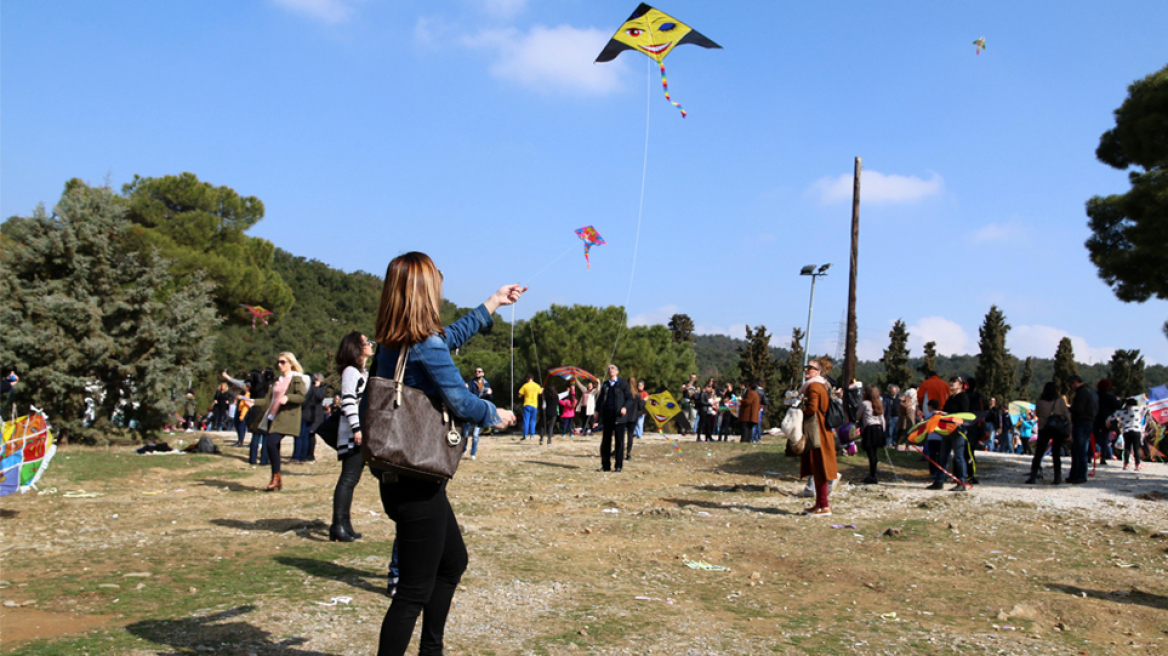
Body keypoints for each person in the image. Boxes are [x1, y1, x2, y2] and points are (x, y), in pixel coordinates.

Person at [368, 251, 520, 656]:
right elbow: (460, 401)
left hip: (404, 477)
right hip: (416, 481)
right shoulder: (421, 345)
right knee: (413, 591)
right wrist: (495, 413)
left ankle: (431, 650)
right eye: (436, 278)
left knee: (452, 564)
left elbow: (445, 339)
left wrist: (492, 303)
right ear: (423, 289)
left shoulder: (395, 342)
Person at [331, 331, 374, 542]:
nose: (370, 345)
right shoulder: (351, 372)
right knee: (348, 479)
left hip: (358, 432)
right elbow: (348, 402)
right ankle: (338, 524)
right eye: (366, 342)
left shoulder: (362, 373)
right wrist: (357, 429)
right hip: (352, 433)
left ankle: (344, 524)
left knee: (352, 479)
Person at [255, 352, 306, 491]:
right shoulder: (276, 381)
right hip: (272, 416)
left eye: (283, 362)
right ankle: (276, 478)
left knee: (270, 443)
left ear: (291, 363)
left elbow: (301, 397)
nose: (279, 365)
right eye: (278, 362)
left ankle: (276, 477)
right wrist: (252, 402)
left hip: (285, 417)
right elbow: (267, 401)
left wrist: (288, 397)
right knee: (273, 447)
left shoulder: (296, 379)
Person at [800, 360, 837, 516]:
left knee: (820, 468)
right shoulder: (821, 385)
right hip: (821, 430)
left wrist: (800, 407)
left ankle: (823, 506)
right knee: (818, 470)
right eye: (806, 368)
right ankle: (820, 505)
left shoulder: (814, 386)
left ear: (819, 371)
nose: (807, 370)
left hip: (818, 432)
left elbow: (812, 409)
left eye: (811, 368)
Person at [592, 364, 633, 472]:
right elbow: (600, 399)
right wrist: (596, 411)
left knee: (619, 442)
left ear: (617, 372)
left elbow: (630, 399)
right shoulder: (605, 385)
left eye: (613, 368)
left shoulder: (623, 384)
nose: (610, 370)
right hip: (607, 416)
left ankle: (618, 466)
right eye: (609, 369)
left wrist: (625, 407)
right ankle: (605, 465)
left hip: (619, 417)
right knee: (606, 442)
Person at [1028, 382, 1071, 485]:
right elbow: (1066, 415)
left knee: (1039, 453)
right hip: (1057, 428)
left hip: (1044, 427)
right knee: (1056, 453)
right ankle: (1057, 477)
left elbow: (1037, 414)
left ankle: (1033, 476)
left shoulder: (1039, 401)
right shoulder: (1059, 401)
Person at [1067, 375, 1098, 484]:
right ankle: (1075, 474)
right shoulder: (1092, 392)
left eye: (1070, 385)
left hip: (1081, 422)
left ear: (1075, 382)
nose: (1071, 388)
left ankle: (1080, 475)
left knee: (1078, 450)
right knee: (1080, 449)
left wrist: (1068, 408)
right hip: (1089, 422)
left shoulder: (1082, 393)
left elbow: (1078, 409)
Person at [295, 374, 328, 463]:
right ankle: (305, 454)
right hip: (310, 413)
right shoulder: (311, 389)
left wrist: (316, 387)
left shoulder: (321, 389)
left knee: (311, 434)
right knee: (307, 434)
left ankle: (310, 454)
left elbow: (319, 397)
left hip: (316, 414)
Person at [858, 385, 886, 484]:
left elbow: (858, 415)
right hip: (878, 428)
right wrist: (883, 431)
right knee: (874, 452)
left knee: (871, 453)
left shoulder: (865, 403)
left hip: (869, 428)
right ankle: (873, 473)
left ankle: (872, 476)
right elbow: (882, 419)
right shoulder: (878, 403)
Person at [463, 367, 491, 460]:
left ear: (483, 373)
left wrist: (490, 394)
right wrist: (465, 388)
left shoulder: (486, 384)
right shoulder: (471, 383)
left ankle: (473, 452)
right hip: (470, 410)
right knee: (465, 433)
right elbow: (467, 394)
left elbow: (490, 399)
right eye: (475, 371)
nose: (477, 373)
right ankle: (463, 449)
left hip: (480, 411)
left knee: (475, 434)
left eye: (479, 371)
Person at [1110, 398, 1145, 471]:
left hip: (1126, 431)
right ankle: (1137, 465)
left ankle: (1126, 464)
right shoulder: (1138, 409)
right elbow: (1147, 407)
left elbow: (1111, 417)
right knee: (1136, 448)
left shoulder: (1121, 412)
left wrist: (1107, 422)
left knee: (1127, 448)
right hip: (1136, 430)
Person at [1094, 379, 1122, 466]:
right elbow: (1119, 406)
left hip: (1095, 418)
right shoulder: (1110, 396)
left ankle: (1089, 455)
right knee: (1105, 439)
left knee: (1093, 437)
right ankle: (1103, 457)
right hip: (1107, 420)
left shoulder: (1094, 395)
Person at [517, 374, 542, 440]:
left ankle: (525, 435)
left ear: (527, 378)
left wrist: (520, 396)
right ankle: (532, 435)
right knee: (533, 421)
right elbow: (540, 392)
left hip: (527, 404)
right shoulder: (537, 386)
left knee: (526, 420)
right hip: (534, 405)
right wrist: (542, 389)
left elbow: (519, 395)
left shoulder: (525, 386)